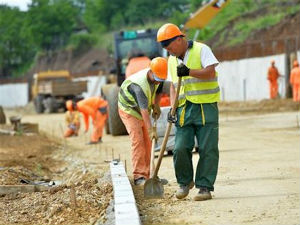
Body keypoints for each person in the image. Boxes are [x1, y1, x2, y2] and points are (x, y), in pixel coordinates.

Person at [157, 23, 220, 201]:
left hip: (206, 106)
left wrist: (189, 71)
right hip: (184, 108)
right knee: (179, 148)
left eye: (170, 47)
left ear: (179, 39)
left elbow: (210, 72)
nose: (169, 52)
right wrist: (172, 107)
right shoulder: (171, 59)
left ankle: (204, 187)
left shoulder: (202, 49)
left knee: (208, 149)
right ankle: (184, 182)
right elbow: (173, 87)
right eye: (166, 49)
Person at [118, 57, 167, 186]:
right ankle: (139, 176)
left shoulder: (159, 76)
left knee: (148, 142)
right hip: (129, 109)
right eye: (157, 79)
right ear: (151, 72)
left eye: (161, 80)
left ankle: (151, 175)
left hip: (141, 109)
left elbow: (159, 91)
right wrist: (151, 130)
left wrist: (156, 105)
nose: (158, 82)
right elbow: (144, 112)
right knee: (138, 140)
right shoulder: (139, 87)